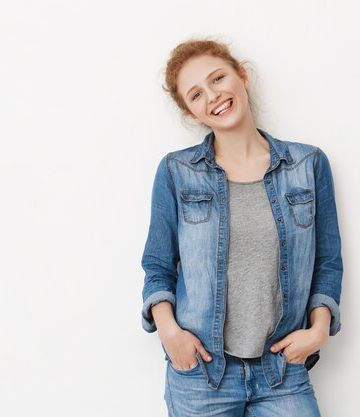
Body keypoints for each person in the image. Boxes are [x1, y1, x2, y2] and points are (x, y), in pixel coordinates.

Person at [140, 38, 343, 417]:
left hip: (282, 372)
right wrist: (170, 333)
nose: (213, 95)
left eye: (218, 78)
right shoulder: (176, 172)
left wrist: (318, 332)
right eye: (196, 94)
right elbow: (158, 266)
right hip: (201, 374)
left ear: (242, 76)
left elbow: (327, 262)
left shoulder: (308, 164)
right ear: (193, 114)